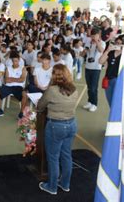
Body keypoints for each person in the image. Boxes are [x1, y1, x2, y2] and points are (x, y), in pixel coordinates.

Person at [37, 64, 79, 195]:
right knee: (66, 155)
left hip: (56, 126)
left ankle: (52, 186)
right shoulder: (74, 89)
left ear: (54, 76)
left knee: (53, 157)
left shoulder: (52, 90)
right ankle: (65, 184)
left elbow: (40, 106)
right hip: (71, 124)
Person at [99, 35, 124, 106]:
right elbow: (100, 61)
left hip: (119, 81)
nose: (118, 45)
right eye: (117, 43)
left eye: (120, 43)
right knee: (110, 103)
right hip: (109, 80)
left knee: (118, 104)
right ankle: (114, 117)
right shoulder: (110, 52)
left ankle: (117, 117)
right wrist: (107, 50)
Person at [0, 53, 27, 118]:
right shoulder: (8, 68)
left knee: (25, 95)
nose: (15, 62)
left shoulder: (23, 68)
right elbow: (6, 80)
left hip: (18, 87)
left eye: (16, 61)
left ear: (19, 61)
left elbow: (22, 79)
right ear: (12, 61)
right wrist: (17, 79)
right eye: (13, 61)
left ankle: (21, 112)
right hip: (8, 86)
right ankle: (0, 110)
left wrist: (11, 79)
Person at [20, 53, 52, 118]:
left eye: (46, 60)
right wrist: (39, 86)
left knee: (50, 92)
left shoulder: (52, 70)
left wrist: (46, 87)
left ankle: (44, 113)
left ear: (49, 61)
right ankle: (22, 112)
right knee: (26, 91)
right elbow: (35, 81)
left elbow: (52, 82)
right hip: (37, 88)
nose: (44, 61)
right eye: (43, 60)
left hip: (47, 89)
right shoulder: (37, 69)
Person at [83, 28, 106, 113]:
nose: (93, 37)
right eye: (92, 36)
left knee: (93, 88)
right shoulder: (88, 42)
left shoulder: (102, 43)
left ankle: (95, 104)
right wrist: (84, 51)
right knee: (89, 87)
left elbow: (101, 50)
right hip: (88, 67)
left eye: (95, 36)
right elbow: (83, 54)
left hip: (96, 68)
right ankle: (90, 101)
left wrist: (96, 42)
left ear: (98, 35)